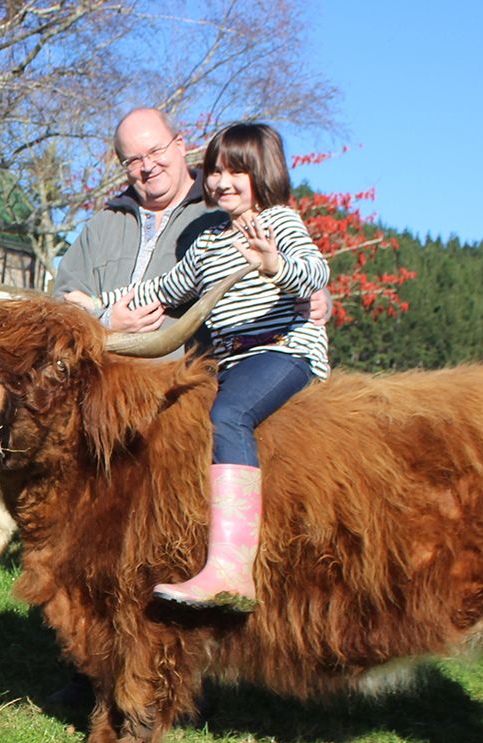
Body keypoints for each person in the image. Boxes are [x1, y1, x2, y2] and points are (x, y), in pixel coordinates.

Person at [110, 122, 329, 612]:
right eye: (214, 171)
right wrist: (96, 313)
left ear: (264, 174)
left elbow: (315, 272)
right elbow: (162, 291)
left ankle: (232, 570)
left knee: (228, 415)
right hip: (229, 362)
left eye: (237, 171)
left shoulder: (280, 223)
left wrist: (275, 267)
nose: (222, 182)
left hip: (282, 350)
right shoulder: (208, 241)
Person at [55, 108, 227, 357]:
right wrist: (106, 324)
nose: (148, 166)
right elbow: (63, 307)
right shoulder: (102, 225)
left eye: (156, 151)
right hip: (104, 385)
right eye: (134, 160)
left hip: (190, 384)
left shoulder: (222, 213)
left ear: (180, 145)